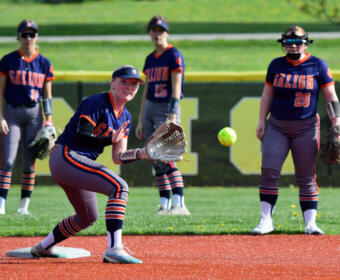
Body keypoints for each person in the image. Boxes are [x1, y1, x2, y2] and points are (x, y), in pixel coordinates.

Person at [31, 65, 148, 264]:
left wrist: (142, 153)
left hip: (76, 164)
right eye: (124, 81)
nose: (129, 87)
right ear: (112, 83)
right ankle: (114, 249)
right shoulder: (96, 102)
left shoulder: (125, 117)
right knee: (119, 187)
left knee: (87, 217)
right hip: (66, 156)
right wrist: (109, 138)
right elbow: (83, 135)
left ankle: (43, 247)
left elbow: (118, 157)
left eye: (135, 84)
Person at [252, 25, 340, 235]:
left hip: (306, 126)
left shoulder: (317, 65)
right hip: (278, 125)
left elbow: (330, 97)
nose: (294, 46)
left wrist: (337, 124)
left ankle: (310, 223)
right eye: (289, 42)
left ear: (306, 42)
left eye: (298, 41)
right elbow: (267, 95)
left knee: (307, 176)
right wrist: (261, 120)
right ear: (283, 44)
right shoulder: (276, 65)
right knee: (269, 171)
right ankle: (266, 220)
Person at [135, 15, 190, 215]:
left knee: (167, 157)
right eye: (153, 30)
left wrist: (173, 115)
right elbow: (146, 89)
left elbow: (176, 87)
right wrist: (141, 119)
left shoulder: (173, 54)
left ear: (166, 33)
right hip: (150, 107)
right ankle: (164, 203)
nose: (156, 34)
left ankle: (179, 203)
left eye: (160, 30)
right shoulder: (150, 59)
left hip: (166, 108)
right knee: (154, 157)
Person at [0, 19, 54, 215]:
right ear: (18, 37)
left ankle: (24, 207)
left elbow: (47, 95)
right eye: (25, 34)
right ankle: (1, 205)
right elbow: (0, 91)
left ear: (37, 37)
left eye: (32, 34)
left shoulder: (44, 63)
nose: (29, 38)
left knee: (29, 163)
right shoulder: (8, 60)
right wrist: (0, 117)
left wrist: (49, 120)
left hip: (34, 114)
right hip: (12, 112)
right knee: (8, 160)